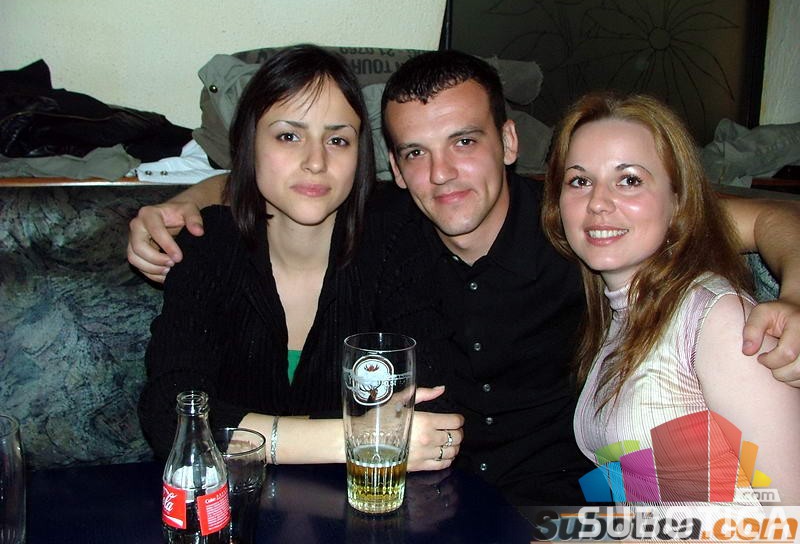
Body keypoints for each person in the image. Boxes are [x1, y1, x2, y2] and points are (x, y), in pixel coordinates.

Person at [129, 50, 800, 505]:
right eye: (416, 153)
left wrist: (794, 295)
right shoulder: (389, 228)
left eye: (464, 141)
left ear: (508, 142)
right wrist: (186, 202)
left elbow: (766, 218)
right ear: (394, 168)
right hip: (421, 510)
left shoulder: (579, 217)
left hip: (558, 511)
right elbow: (284, 190)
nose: (442, 174)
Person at [137, 44, 464, 471]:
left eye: (337, 140)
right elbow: (170, 415)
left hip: (363, 502)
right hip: (236, 501)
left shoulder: (395, 239)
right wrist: (356, 437)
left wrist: (245, 433)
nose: (315, 162)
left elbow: (435, 406)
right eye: (288, 136)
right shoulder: (208, 244)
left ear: (360, 156)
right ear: (249, 144)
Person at [540, 92, 800, 504]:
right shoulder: (621, 313)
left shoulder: (719, 320)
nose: (598, 203)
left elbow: (792, 516)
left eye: (630, 180)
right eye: (580, 181)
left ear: (678, 201)